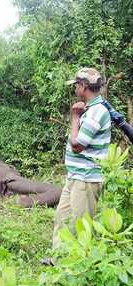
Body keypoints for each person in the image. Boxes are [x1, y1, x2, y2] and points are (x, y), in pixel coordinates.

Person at [52, 68, 111, 251]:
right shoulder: (91, 109)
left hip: (86, 180)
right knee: (62, 218)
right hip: (76, 176)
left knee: (81, 226)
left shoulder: (96, 112)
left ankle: (81, 270)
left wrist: (75, 117)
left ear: (83, 86)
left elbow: (78, 145)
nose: (75, 89)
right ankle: (59, 261)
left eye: (76, 85)